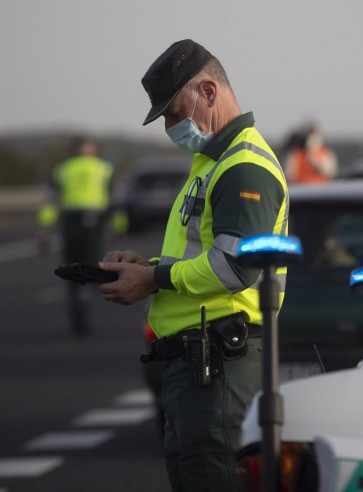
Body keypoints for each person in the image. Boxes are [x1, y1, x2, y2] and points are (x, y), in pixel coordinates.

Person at [97, 39, 289, 492]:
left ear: (207, 91)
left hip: (220, 366)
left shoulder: (243, 166)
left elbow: (235, 268)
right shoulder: (212, 161)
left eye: (172, 112)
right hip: (200, 368)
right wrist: (148, 267)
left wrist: (153, 279)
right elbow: (202, 255)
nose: (169, 126)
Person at [36, 136, 118, 337]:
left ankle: (76, 301)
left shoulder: (62, 169)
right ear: (94, 150)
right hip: (94, 223)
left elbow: (51, 202)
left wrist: (44, 228)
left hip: (70, 224)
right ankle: (86, 296)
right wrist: (119, 226)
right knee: (93, 266)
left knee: (72, 267)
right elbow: (114, 200)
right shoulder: (104, 168)